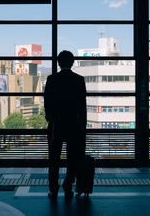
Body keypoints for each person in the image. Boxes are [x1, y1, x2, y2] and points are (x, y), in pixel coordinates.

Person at [44, 50, 87, 199]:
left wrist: (50, 119)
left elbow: (47, 103)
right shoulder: (79, 80)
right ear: (72, 62)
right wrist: (82, 125)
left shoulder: (51, 79)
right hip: (74, 125)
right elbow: (82, 106)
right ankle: (68, 186)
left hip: (56, 124)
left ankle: (53, 189)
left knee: (54, 158)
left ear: (58, 62)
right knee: (72, 158)